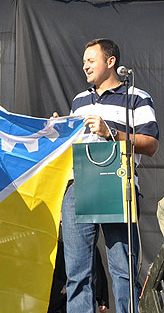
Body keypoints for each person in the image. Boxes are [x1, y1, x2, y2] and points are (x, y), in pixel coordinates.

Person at [57, 38, 159, 313]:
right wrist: (59, 132)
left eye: (90, 60)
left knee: (123, 268)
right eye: (83, 62)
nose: (85, 67)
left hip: (118, 182)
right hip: (78, 186)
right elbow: (71, 146)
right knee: (77, 271)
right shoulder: (79, 100)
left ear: (110, 61)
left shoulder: (137, 97)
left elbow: (151, 144)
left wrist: (111, 132)